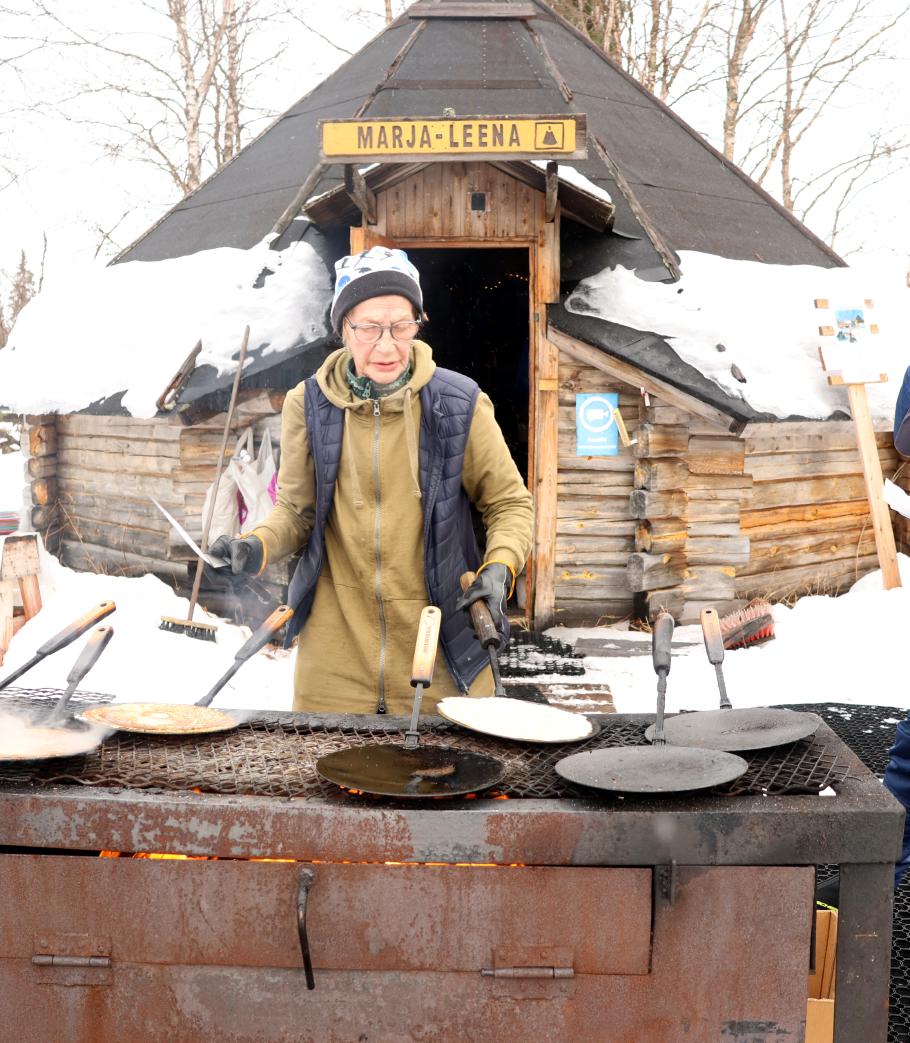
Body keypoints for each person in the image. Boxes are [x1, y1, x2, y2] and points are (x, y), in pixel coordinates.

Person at [211, 247, 533, 715]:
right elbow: (296, 511)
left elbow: (508, 503)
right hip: (335, 656)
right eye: (369, 328)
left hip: (440, 647)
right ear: (343, 328)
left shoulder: (458, 403)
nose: (387, 345)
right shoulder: (310, 404)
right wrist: (255, 545)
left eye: (402, 326)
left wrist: (500, 566)